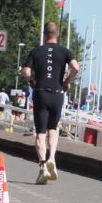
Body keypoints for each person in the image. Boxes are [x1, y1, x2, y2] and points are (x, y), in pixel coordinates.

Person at [22, 21, 79, 184]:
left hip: (41, 93)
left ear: (44, 35)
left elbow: (25, 71)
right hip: (57, 94)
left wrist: (32, 80)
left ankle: (43, 167)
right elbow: (76, 67)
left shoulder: (36, 51)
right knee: (53, 129)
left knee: (40, 133)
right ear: (58, 35)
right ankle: (52, 158)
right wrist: (67, 81)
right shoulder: (65, 51)